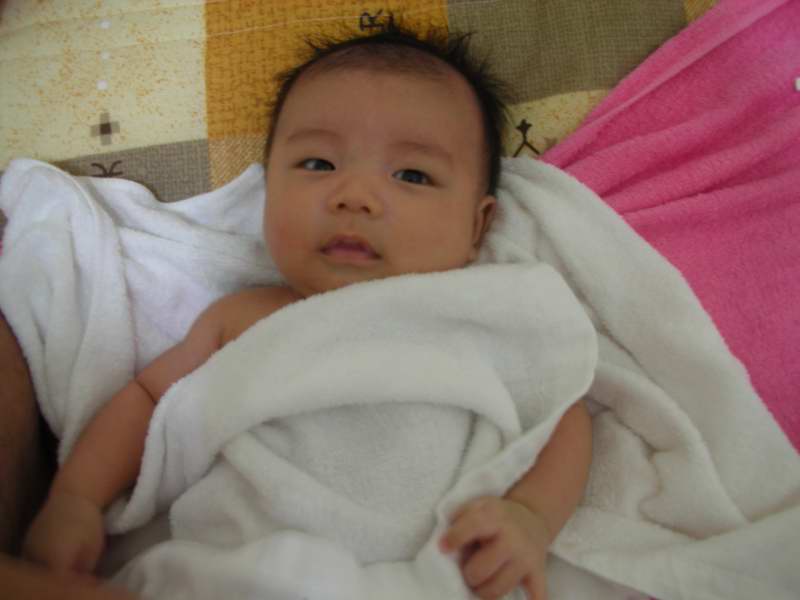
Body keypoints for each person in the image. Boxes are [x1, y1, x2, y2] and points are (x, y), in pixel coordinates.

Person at [20, 26, 592, 600]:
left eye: (412, 175)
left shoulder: (480, 314)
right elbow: (147, 400)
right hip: (235, 570)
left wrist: (531, 516)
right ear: (267, 189)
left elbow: (563, 412)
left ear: (477, 225)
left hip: (430, 575)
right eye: (318, 163)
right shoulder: (243, 317)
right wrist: (77, 498)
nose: (354, 196)